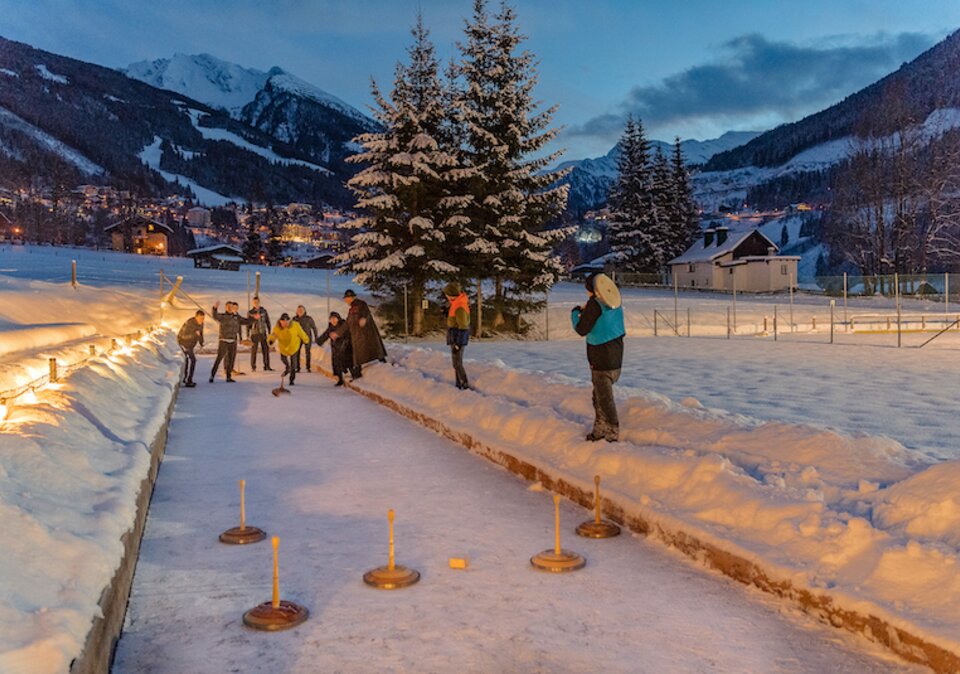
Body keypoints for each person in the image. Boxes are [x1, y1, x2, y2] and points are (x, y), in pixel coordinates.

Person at [571, 273, 625, 442]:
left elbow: (581, 329)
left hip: (600, 357)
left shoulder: (595, 304)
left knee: (603, 398)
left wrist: (575, 314)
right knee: (599, 397)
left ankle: (610, 432)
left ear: (592, 290)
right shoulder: (615, 303)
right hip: (616, 355)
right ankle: (599, 430)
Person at [332, 289, 387, 380]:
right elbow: (347, 324)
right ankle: (357, 374)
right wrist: (337, 333)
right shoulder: (351, 309)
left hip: (365, 334)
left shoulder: (361, 304)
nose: (345, 300)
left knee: (373, 350)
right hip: (357, 335)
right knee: (358, 356)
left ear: (351, 298)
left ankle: (384, 365)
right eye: (345, 298)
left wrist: (364, 318)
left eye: (347, 298)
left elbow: (366, 313)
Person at [210, 301, 254, 383]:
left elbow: (246, 321)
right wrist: (215, 308)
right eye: (228, 306)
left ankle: (228, 377)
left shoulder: (236, 317)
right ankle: (212, 375)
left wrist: (254, 318)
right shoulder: (223, 316)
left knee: (231, 359)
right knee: (219, 358)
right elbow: (215, 316)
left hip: (233, 341)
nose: (230, 308)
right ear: (226, 307)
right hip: (223, 340)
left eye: (231, 306)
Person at [267, 313, 310, 385]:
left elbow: (301, 333)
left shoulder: (295, 325)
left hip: (294, 347)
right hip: (284, 347)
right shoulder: (277, 327)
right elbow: (274, 334)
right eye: (283, 321)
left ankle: (291, 380)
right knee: (283, 358)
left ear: (289, 321)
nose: (285, 323)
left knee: (294, 365)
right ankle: (287, 367)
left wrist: (306, 340)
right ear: (280, 321)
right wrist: (271, 340)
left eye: (287, 321)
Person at [443, 282, 470, 390]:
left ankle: (464, 383)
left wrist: (458, 343)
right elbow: (455, 320)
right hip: (454, 335)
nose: (446, 296)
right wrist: (447, 314)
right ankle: (458, 384)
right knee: (456, 363)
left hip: (457, 337)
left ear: (451, 294)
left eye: (447, 294)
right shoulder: (456, 303)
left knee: (457, 363)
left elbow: (463, 326)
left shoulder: (459, 306)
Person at [317, 311, 352, 386]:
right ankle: (340, 379)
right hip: (335, 348)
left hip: (344, 347)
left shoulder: (343, 325)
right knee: (337, 364)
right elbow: (325, 335)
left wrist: (345, 343)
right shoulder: (331, 327)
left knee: (346, 362)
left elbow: (348, 335)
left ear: (338, 319)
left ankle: (350, 375)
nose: (333, 320)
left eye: (334, 318)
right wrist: (318, 342)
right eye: (331, 319)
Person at [177, 310, 205, 388]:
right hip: (184, 344)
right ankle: (187, 379)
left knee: (191, 360)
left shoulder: (201, 324)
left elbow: (200, 333)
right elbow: (183, 336)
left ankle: (188, 379)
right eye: (200, 319)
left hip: (191, 345)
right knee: (190, 360)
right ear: (196, 317)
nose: (201, 320)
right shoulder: (189, 324)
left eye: (203, 319)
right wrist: (194, 334)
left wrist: (201, 342)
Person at [248, 296, 272, 372]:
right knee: (254, 351)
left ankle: (267, 366)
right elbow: (248, 323)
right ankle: (253, 367)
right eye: (254, 302)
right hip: (254, 333)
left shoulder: (263, 311)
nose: (256, 303)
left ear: (259, 302)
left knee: (265, 350)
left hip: (263, 332)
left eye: (257, 302)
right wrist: (248, 334)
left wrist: (269, 331)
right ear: (253, 303)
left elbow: (267, 321)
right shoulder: (250, 312)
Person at [292, 305, 318, 373]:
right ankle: (297, 367)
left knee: (308, 352)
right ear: (296, 311)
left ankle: (308, 367)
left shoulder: (309, 318)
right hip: (298, 338)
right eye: (298, 310)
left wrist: (316, 337)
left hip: (307, 337)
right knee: (297, 352)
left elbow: (314, 328)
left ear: (304, 311)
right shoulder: (294, 319)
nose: (300, 311)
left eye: (301, 310)